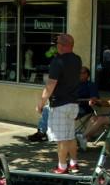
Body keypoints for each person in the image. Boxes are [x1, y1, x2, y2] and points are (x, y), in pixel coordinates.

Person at [35, 33, 81, 174]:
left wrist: (41, 103)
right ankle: (74, 164)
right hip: (73, 103)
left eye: (59, 44)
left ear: (65, 45)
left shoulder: (58, 61)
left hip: (60, 104)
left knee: (61, 139)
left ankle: (62, 167)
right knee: (70, 136)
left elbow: (51, 85)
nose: (57, 46)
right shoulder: (77, 59)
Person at [29, 65, 99, 142]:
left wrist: (82, 100)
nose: (79, 74)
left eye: (82, 73)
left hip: (81, 107)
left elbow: (94, 98)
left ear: (87, 75)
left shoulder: (90, 85)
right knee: (47, 108)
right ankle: (41, 133)